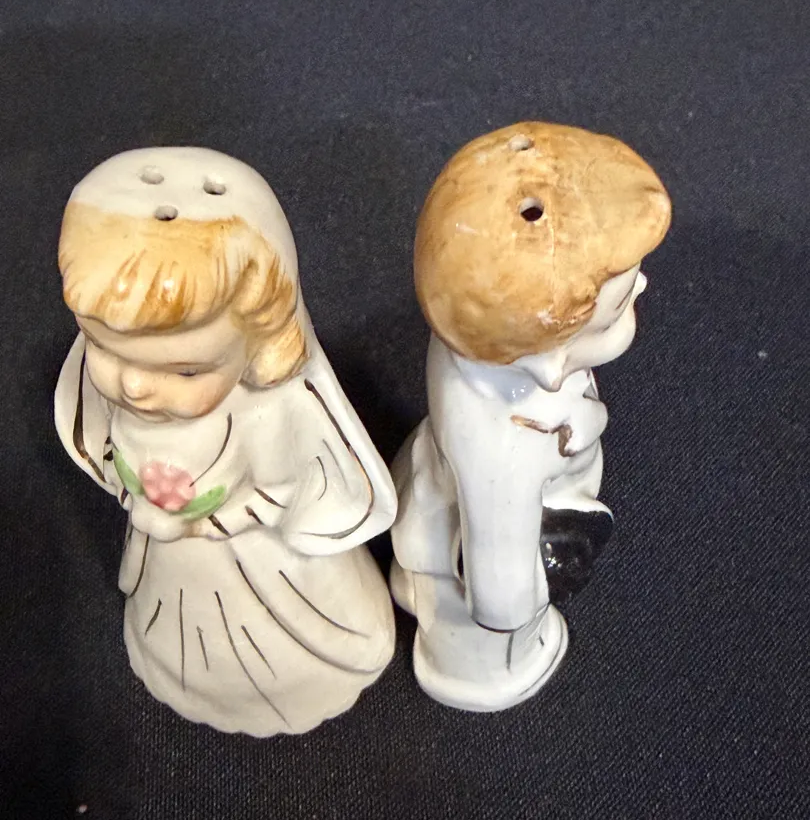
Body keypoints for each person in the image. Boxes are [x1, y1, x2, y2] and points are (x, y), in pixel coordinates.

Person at [55, 147, 396, 735]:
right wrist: (132, 488)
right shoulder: (119, 397)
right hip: (172, 563)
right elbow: (111, 450)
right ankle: (179, 668)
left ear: (258, 346)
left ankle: (284, 681)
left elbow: (280, 487)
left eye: (186, 371)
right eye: (106, 351)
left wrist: (218, 518)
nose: (135, 385)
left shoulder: (264, 412)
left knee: (266, 640)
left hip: (250, 560)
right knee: (176, 627)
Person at [390, 122, 671, 711]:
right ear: (546, 360)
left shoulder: (480, 339)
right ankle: (483, 673)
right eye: (620, 304)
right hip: (473, 580)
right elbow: (501, 584)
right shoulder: (504, 446)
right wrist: (538, 594)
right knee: (491, 646)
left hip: (450, 487)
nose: (643, 285)